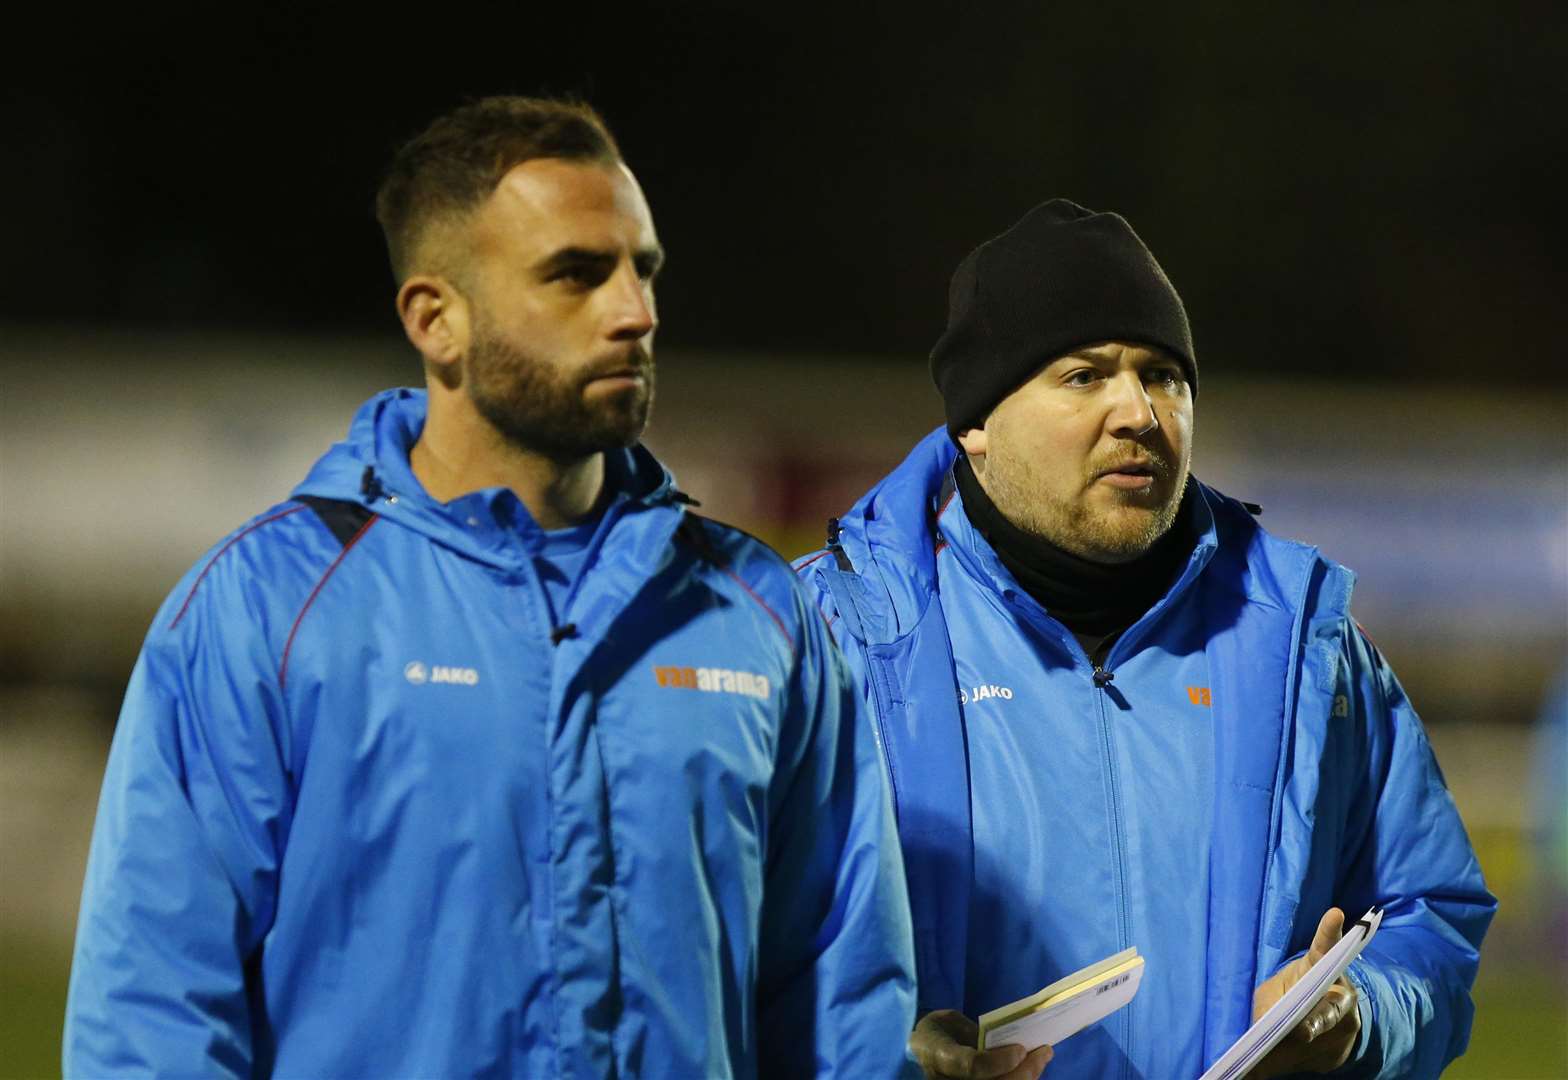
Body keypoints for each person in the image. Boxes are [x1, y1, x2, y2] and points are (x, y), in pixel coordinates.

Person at [63, 96, 916, 1078]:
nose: (634, 312)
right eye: (575, 275)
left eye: (642, 270)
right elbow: (152, 1019)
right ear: (438, 321)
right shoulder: (267, 609)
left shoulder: (758, 615)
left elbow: (841, 1002)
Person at [794, 199, 1496, 1080]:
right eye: (1084, 375)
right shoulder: (825, 643)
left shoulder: (1308, 650)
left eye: (1164, 375)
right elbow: (726, 945)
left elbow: (1431, 914)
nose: (1139, 411)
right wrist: (875, 1051)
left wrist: (1363, 1014)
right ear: (975, 423)